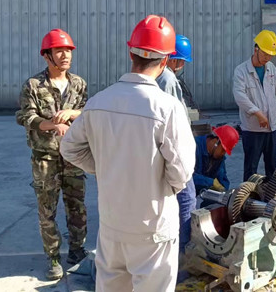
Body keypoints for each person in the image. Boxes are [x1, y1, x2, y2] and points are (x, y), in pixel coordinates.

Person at [60, 15, 195, 292]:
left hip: (112, 225)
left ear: (131, 53)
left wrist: (105, 167)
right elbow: (181, 173)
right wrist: (157, 184)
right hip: (153, 228)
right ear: (166, 60)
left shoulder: (98, 102)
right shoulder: (167, 108)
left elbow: (69, 147)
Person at [15, 29, 88, 281]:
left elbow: (87, 112)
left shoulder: (79, 84)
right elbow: (25, 116)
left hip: (73, 156)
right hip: (45, 157)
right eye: (59, 51)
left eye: (68, 51)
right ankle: (53, 256)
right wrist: (51, 125)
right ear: (47, 56)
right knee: (47, 209)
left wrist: (72, 114)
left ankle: (77, 250)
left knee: (77, 206)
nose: (65, 55)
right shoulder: (34, 85)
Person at [156, 34, 196, 254]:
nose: (182, 65)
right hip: (174, 148)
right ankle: (184, 249)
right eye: (181, 61)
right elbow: (170, 119)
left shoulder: (161, 76)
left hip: (164, 148)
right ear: (174, 59)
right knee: (187, 198)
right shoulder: (168, 79)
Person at [233, 30, 276, 181]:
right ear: (256, 49)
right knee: (251, 169)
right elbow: (240, 96)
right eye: (265, 54)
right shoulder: (241, 71)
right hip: (252, 130)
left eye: (270, 55)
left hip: (272, 129)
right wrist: (257, 113)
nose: (267, 58)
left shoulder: (272, 69)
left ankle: (271, 194)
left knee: (273, 168)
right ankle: (249, 195)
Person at [193, 125, 239, 195]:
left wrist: (223, 190)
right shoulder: (194, 147)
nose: (223, 154)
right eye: (223, 150)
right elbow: (188, 178)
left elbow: (223, 179)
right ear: (216, 142)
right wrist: (211, 182)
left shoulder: (219, 158)